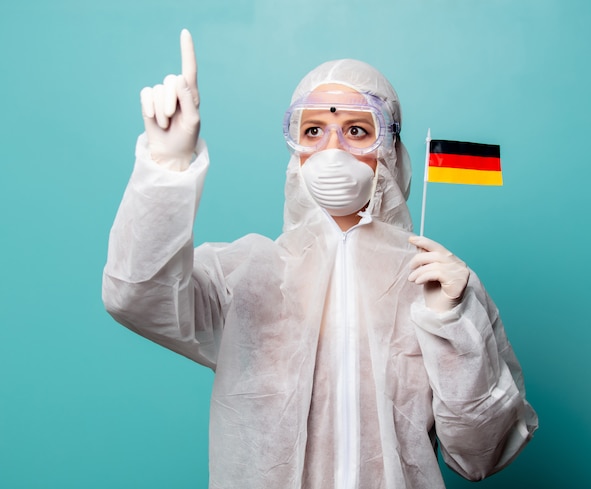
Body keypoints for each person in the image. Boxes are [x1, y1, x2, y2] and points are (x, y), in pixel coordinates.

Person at [102, 29, 537, 488]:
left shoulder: (437, 283)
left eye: (356, 130)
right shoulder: (246, 273)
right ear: (295, 149)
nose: (332, 150)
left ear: (388, 150)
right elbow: (136, 295)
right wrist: (167, 168)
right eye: (313, 131)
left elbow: (479, 455)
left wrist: (453, 322)